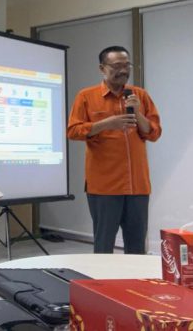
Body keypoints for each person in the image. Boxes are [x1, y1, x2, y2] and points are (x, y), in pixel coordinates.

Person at [67, 45, 162, 254]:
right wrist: (105, 124)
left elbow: (154, 133)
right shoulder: (86, 96)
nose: (123, 70)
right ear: (102, 68)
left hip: (137, 186)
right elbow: (73, 131)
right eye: (117, 65)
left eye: (126, 65)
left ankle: (135, 285)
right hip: (104, 186)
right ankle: (102, 285)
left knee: (137, 246)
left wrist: (137, 112)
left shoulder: (140, 96)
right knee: (104, 246)